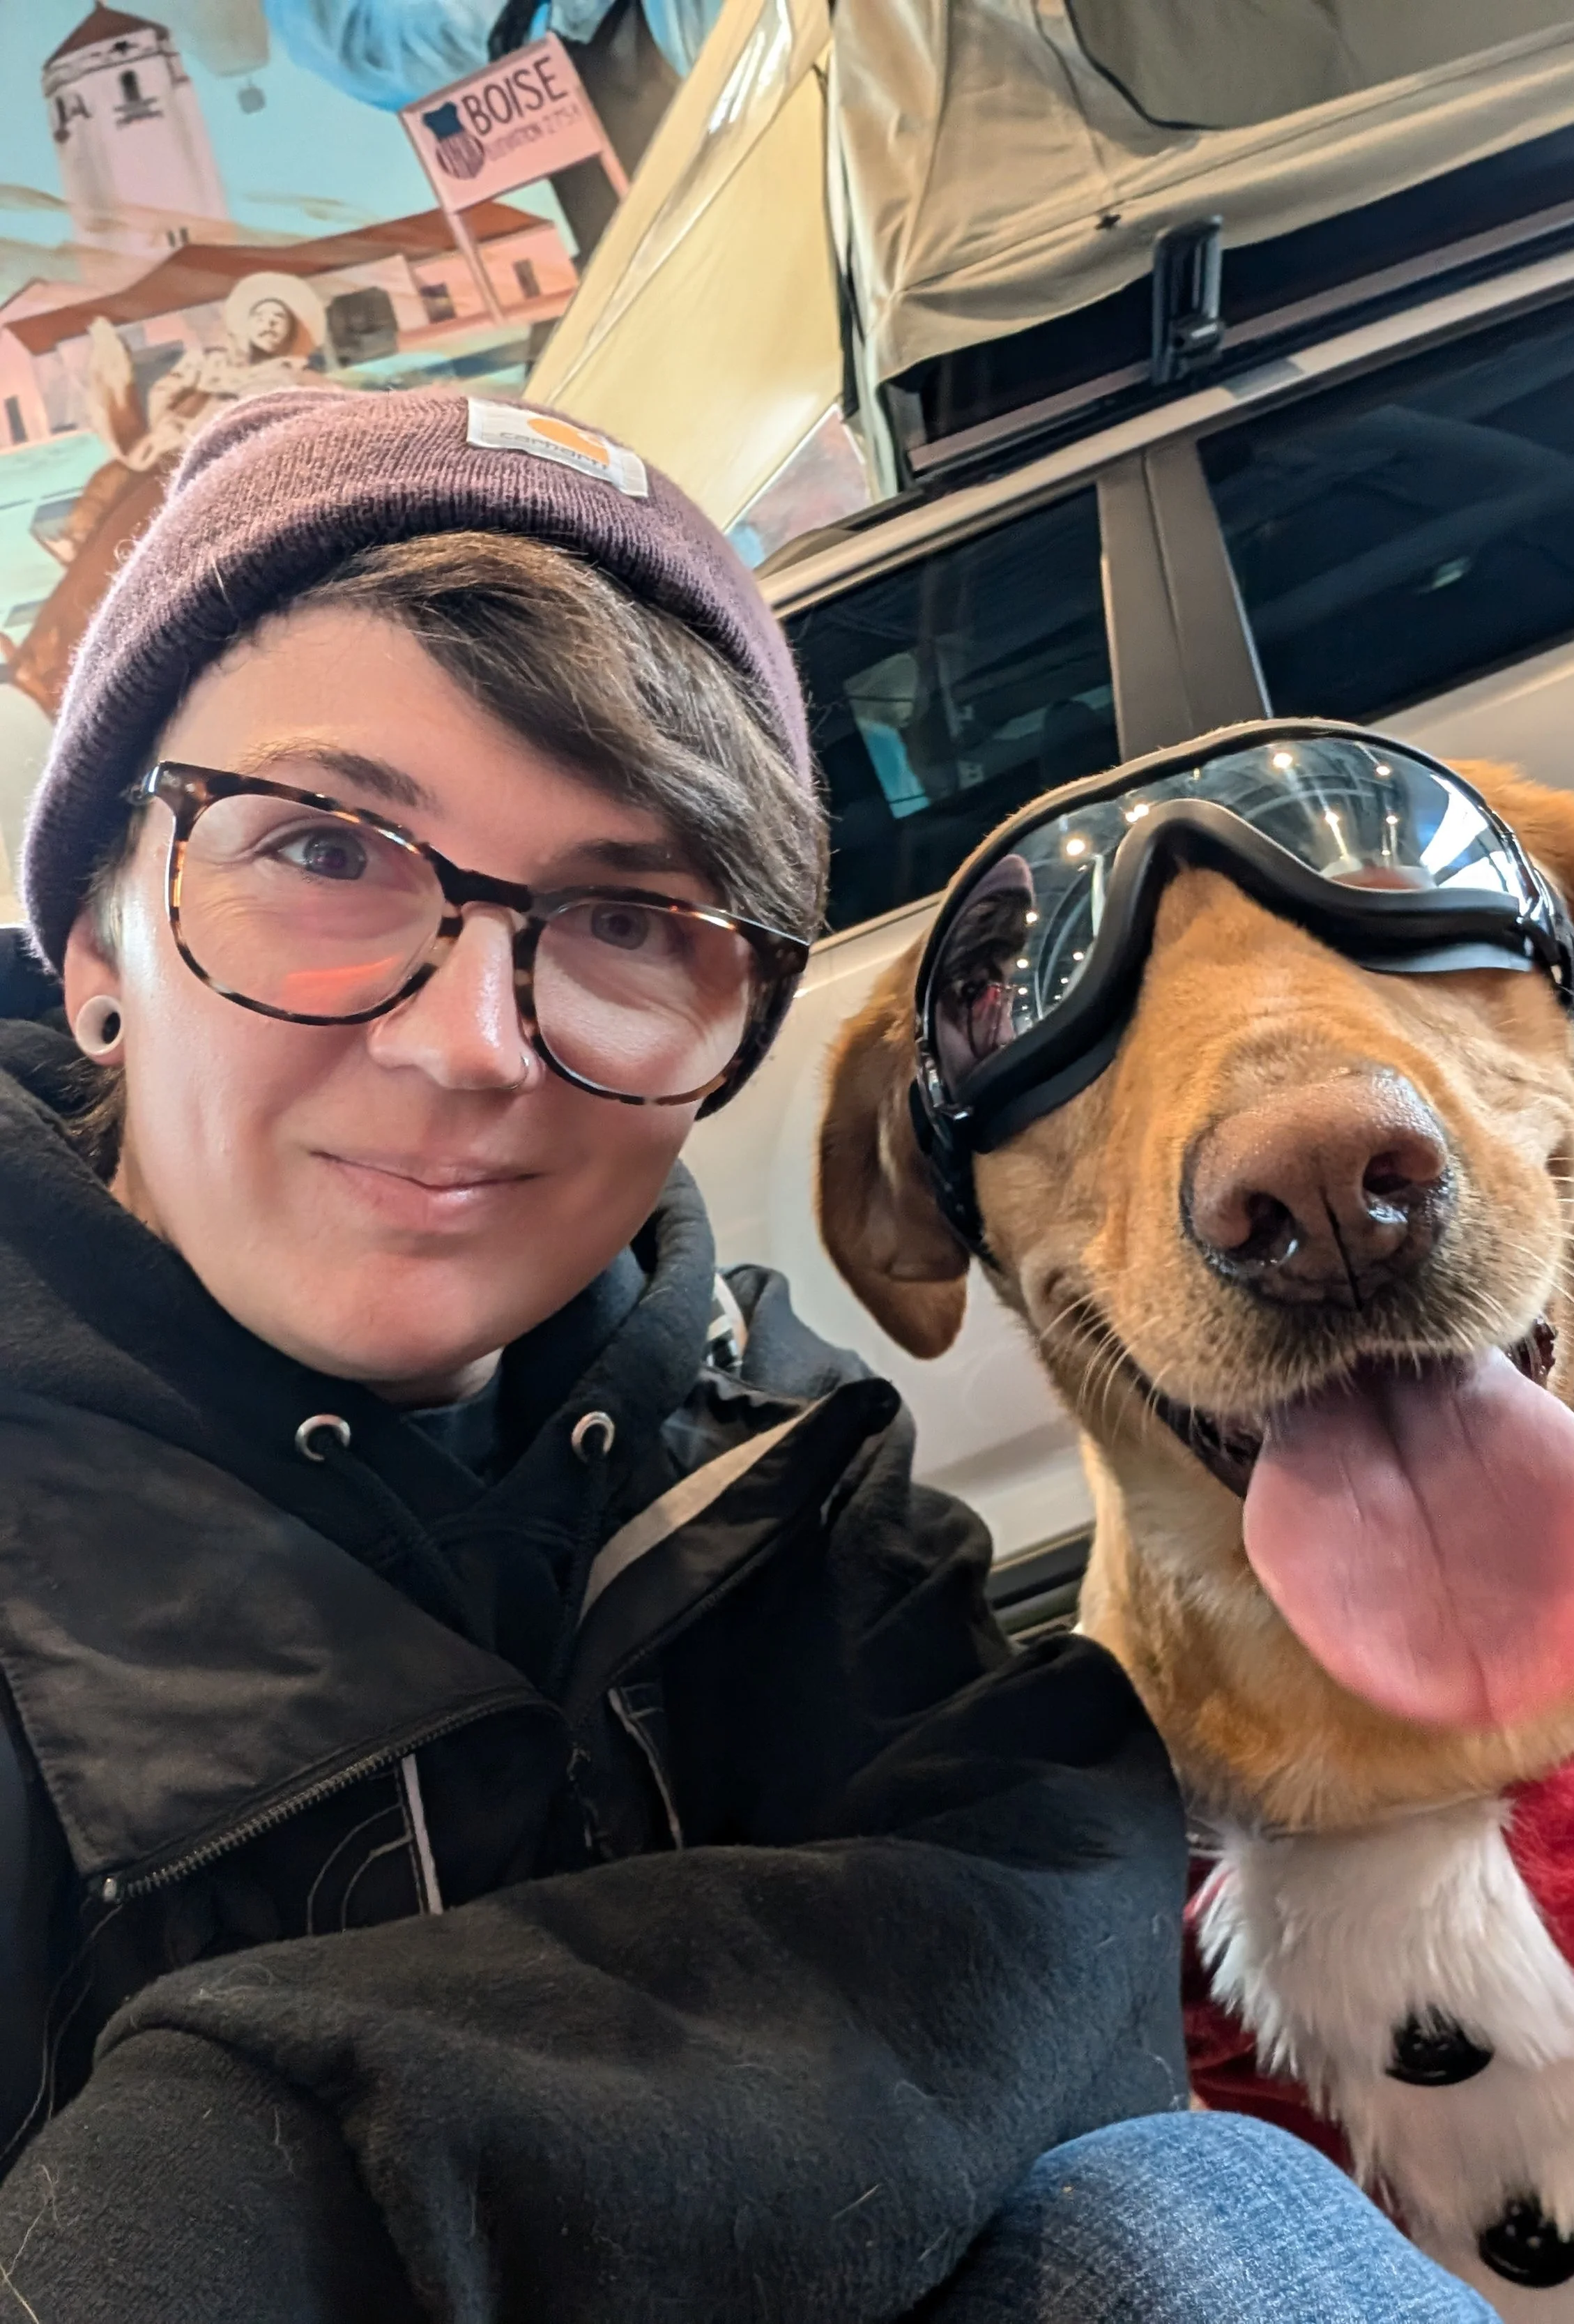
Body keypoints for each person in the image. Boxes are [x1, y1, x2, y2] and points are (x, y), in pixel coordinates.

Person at [0, 386, 1496, 2323]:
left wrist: (274, 2156)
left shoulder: (748, 1443)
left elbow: (1039, 1918)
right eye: (322, 848)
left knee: (1187, 2208)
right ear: (97, 941)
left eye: (626, 915)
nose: (468, 1038)